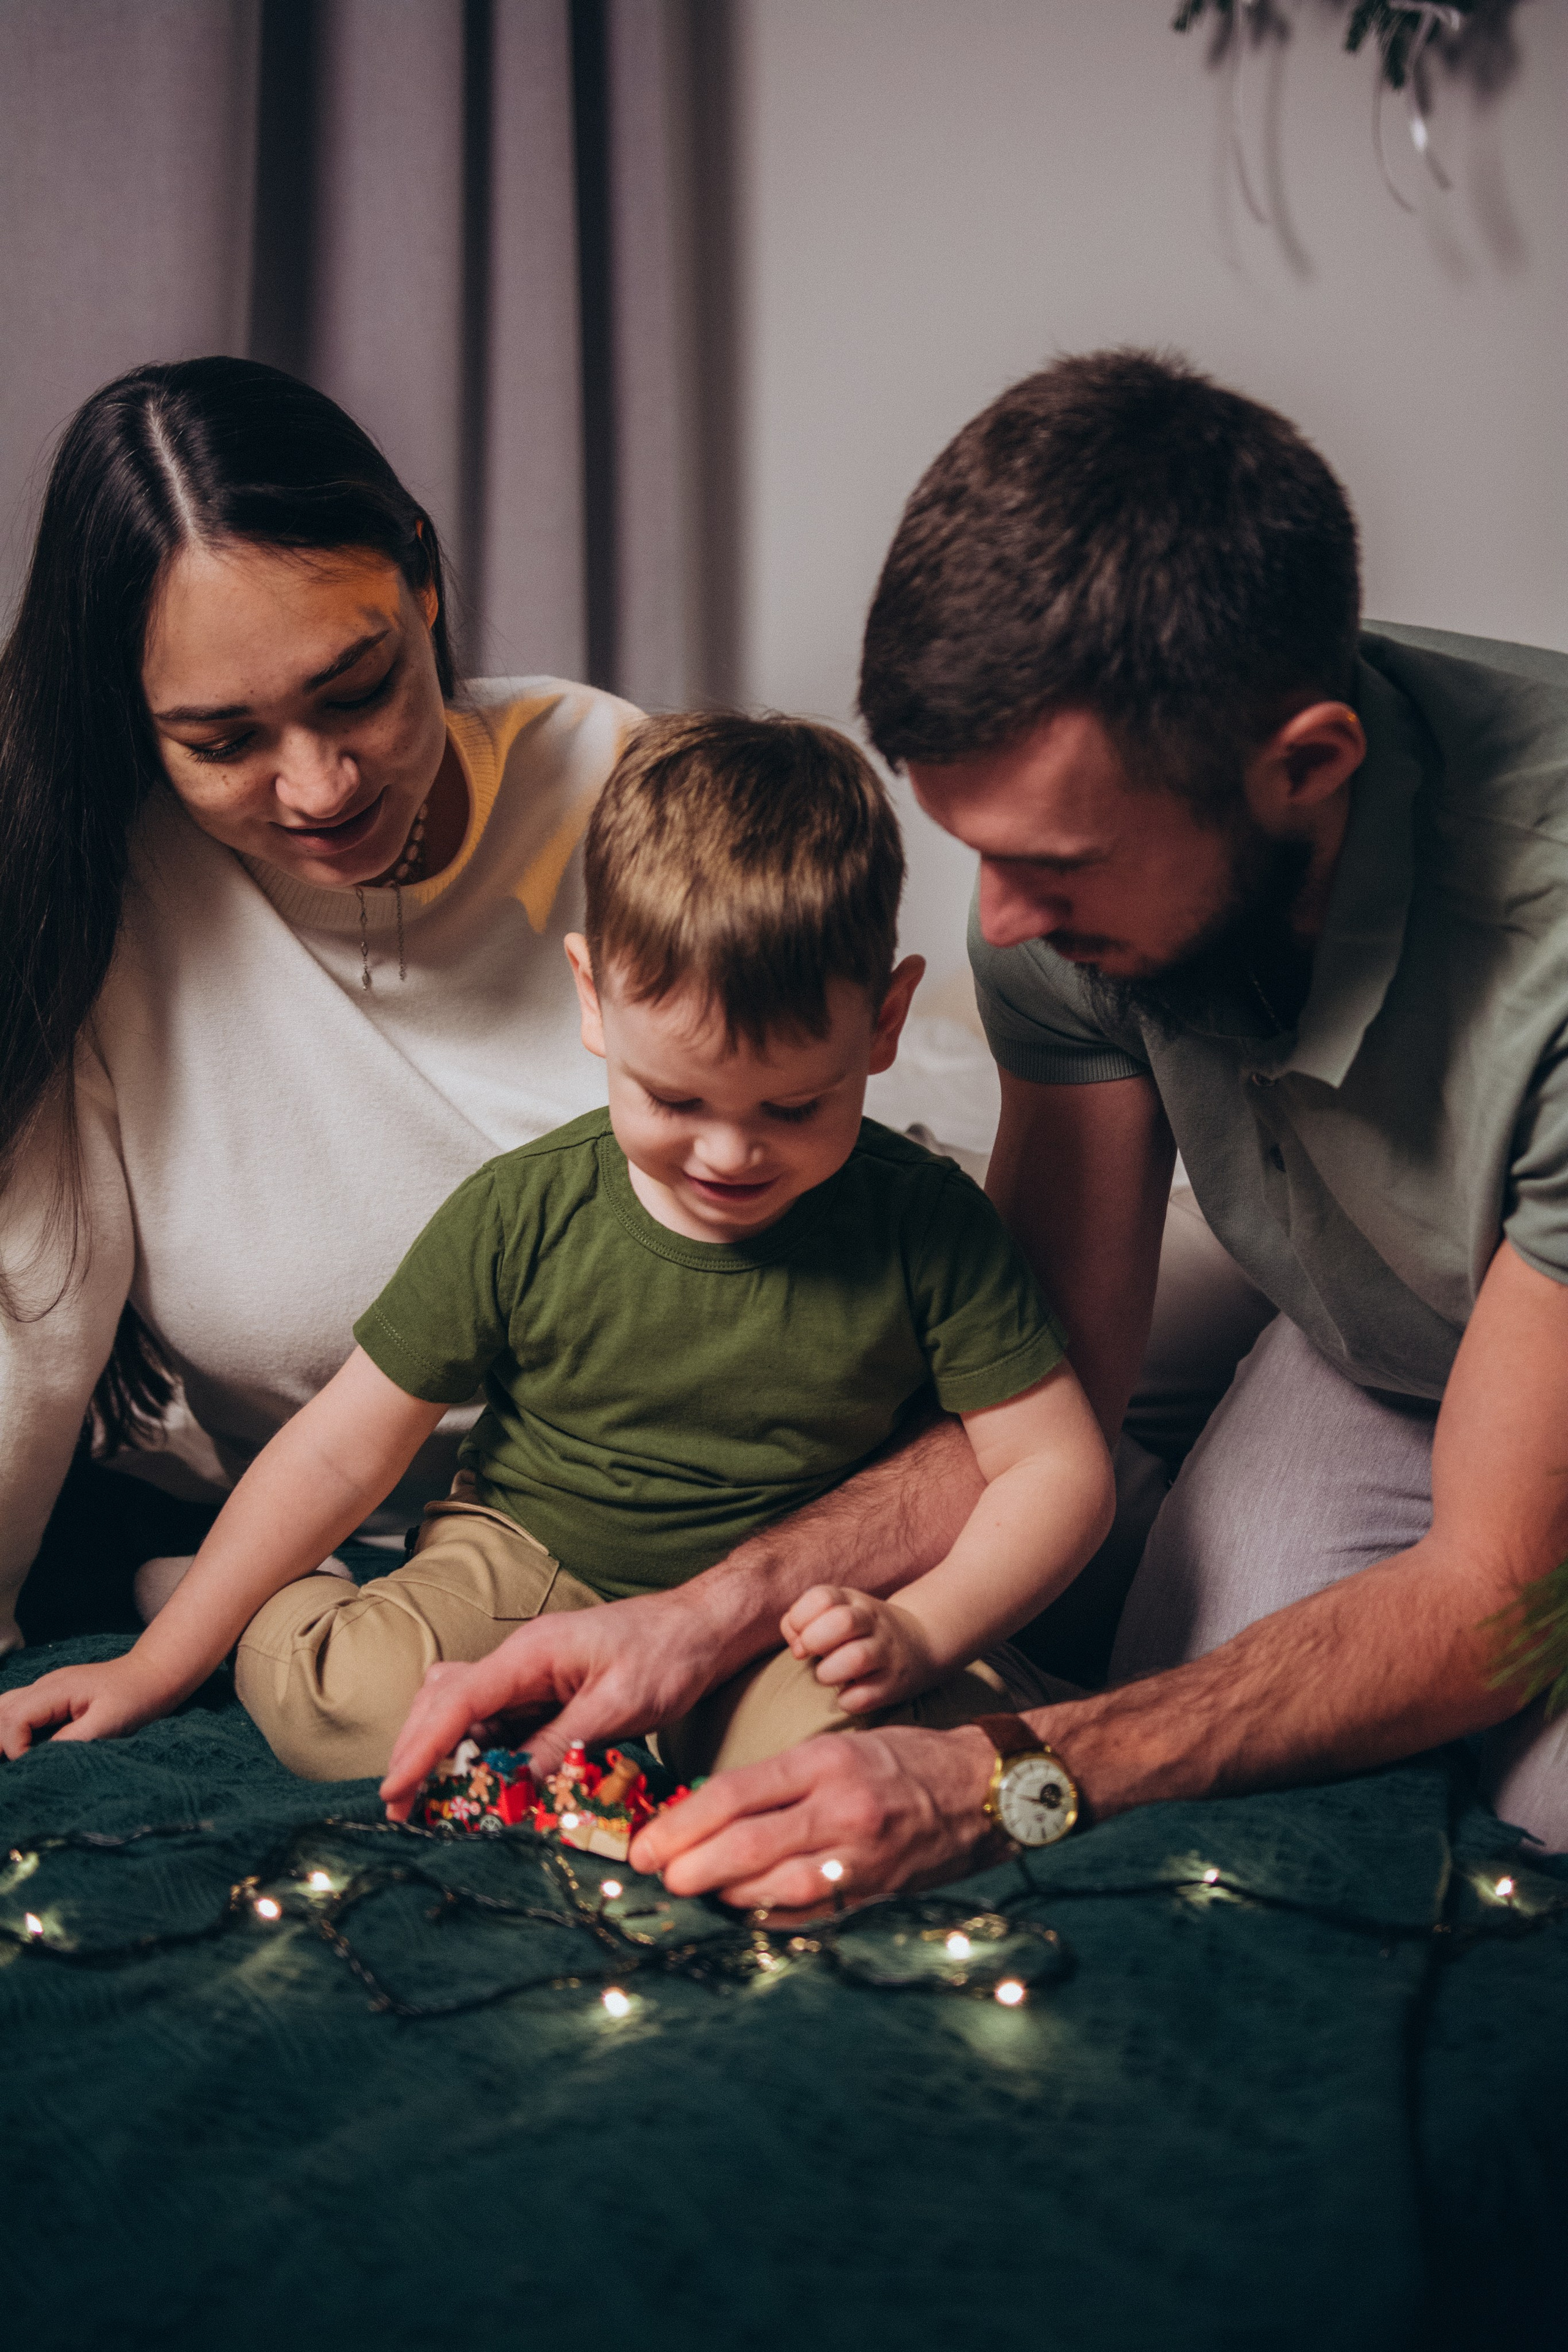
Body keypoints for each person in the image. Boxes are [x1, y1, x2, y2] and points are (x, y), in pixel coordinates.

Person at [624, 348, 1568, 1912]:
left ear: (1304, 768)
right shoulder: (1046, 904)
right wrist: (707, 1610)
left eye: (1056, 861)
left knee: (1534, 1824)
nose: (1001, 921)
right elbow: (1044, 1369)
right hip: (1405, 1343)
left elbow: (1485, 1592)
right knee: (1200, 1721)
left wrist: (1001, 1776)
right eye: (974, 850)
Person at [0, 713, 1114, 1777]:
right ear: (595, 997)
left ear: (884, 1021)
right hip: (535, 1562)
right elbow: (342, 1449)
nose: (730, 1156)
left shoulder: (925, 1222)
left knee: (883, 1760)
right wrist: (157, 1664)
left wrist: (920, 1628)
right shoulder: (526, 1210)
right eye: (675, 1099)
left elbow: (1056, 1467)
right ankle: (264, 1600)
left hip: (775, 1607)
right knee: (349, 1706)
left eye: (791, 1108)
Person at [0, 355, 635, 1656]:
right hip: (333, 1559)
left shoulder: (620, 784)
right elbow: (30, 1324)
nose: (319, 786)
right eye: (223, 742)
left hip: (675, 1497)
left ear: (423, 576)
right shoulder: (95, 894)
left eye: (359, 691)